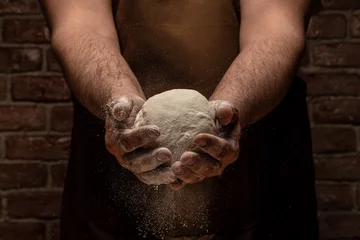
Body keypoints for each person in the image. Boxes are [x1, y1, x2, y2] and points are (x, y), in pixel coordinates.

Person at [40, 0, 322, 239]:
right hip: (115, 168)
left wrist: (227, 112)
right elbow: (79, 27)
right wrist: (121, 107)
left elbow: (276, 29)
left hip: (257, 169)